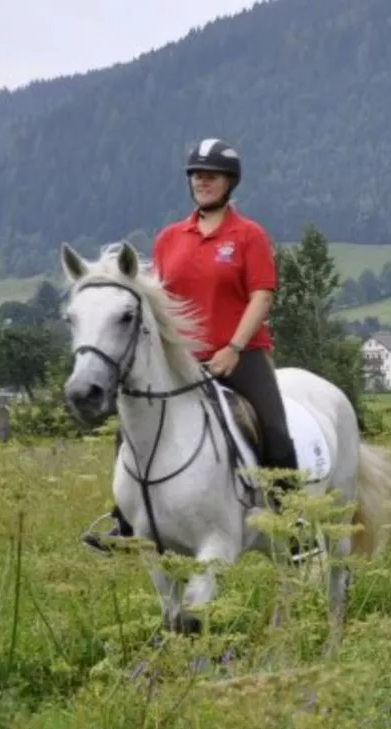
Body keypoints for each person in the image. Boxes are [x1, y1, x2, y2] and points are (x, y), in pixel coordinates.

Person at [82, 137, 302, 553]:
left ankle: (293, 521)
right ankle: (123, 520)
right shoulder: (169, 238)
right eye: (197, 175)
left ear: (229, 183)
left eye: (211, 175)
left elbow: (262, 295)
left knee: (274, 431)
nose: (202, 181)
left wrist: (234, 347)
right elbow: (157, 300)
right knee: (131, 427)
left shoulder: (248, 235)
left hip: (241, 355)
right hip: (181, 359)